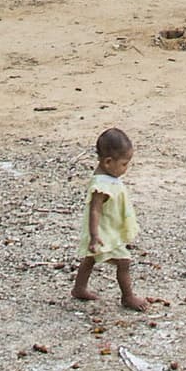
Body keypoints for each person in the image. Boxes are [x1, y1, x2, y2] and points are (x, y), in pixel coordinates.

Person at [69, 128, 153, 312]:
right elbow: (94, 211)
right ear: (108, 162)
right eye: (124, 164)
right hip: (103, 232)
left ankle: (79, 288)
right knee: (124, 262)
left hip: (108, 229)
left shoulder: (109, 177)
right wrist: (93, 235)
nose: (126, 168)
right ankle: (128, 296)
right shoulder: (101, 185)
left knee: (90, 259)